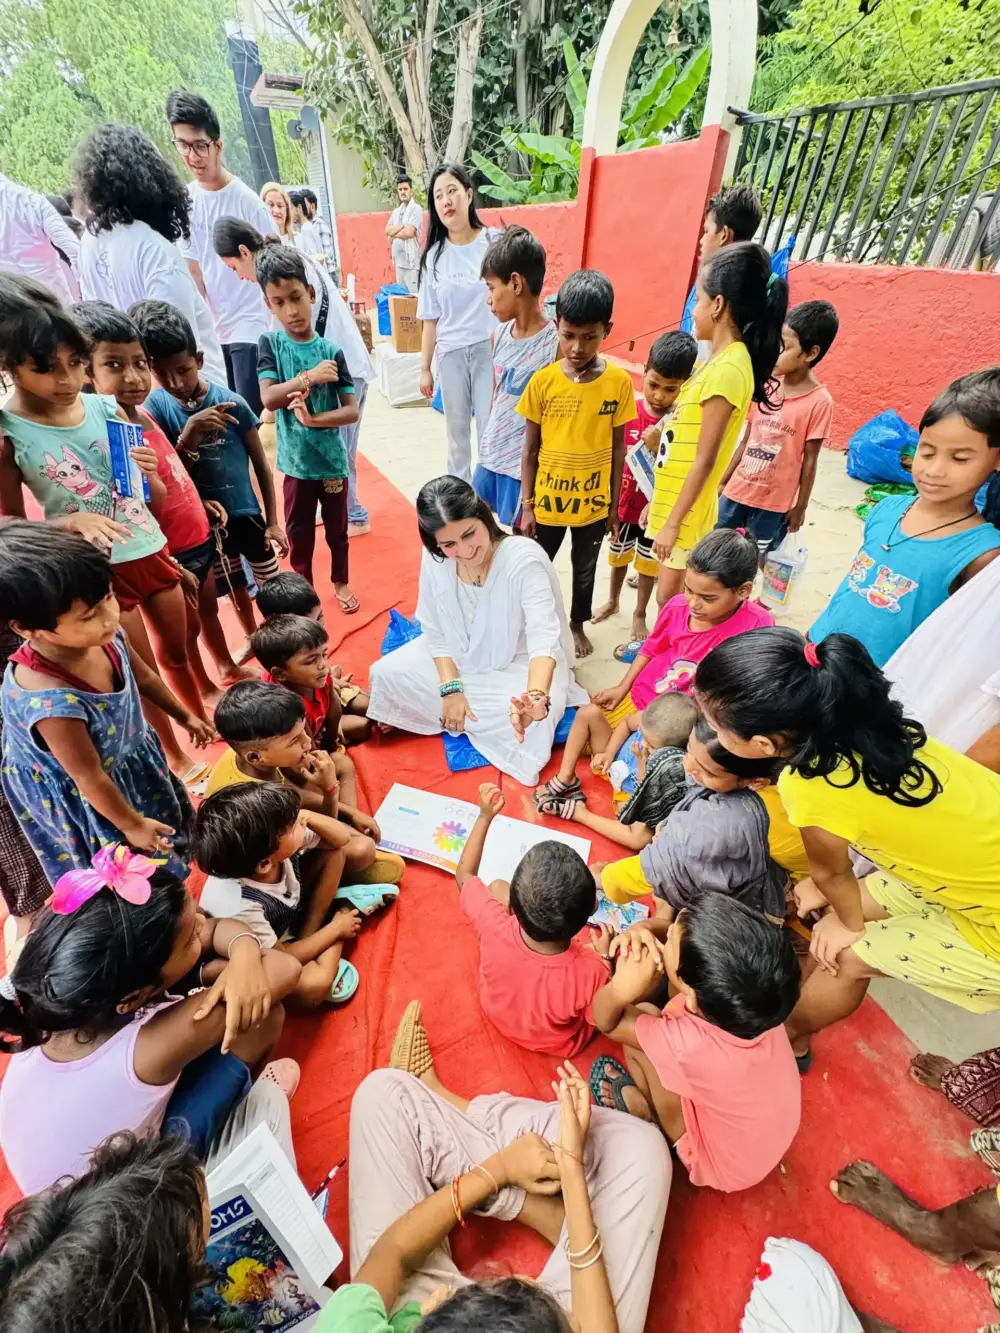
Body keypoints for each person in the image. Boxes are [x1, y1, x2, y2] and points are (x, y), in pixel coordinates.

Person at [694, 626, 1000, 1075]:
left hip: (991, 923)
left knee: (844, 955)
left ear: (763, 746)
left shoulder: (811, 787)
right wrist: (835, 900)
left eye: (719, 727)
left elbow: (831, 876)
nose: (715, 734)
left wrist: (849, 923)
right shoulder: (877, 726)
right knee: (835, 906)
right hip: (967, 872)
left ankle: (782, 1039)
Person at [343, 1004, 670, 1333]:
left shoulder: (351, 1327)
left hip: (412, 1304)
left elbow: (395, 1249)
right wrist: (571, 1176)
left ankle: (468, 1131)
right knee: (643, 1151)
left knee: (383, 1096)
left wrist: (499, 1170)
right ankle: (529, 1197)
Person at [0, 284, 214, 778]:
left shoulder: (104, 409)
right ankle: (173, 754)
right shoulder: (10, 432)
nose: (67, 379)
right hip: (98, 572)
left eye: (76, 363)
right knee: (139, 670)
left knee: (181, 647)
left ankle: (197, 717)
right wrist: (69, 521)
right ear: (12, 364)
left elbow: (149, 502)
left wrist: (152, 476)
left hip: (150, 549)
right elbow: (12, 529)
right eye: (46, 368)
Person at [0, 855, 302, 1194]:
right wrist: (244, 960)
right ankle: (231, 1132)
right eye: (190, 939)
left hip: (70, 1195)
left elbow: (212, 929)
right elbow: (283, 969)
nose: (203, 924)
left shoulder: (60, 996)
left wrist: (242, 953)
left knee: (238, 991)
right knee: (260, 1016)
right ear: (133, 998)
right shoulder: (146, 1047)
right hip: (132, 1210)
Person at [0, 522, 209, 882]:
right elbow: (88, 776)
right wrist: (132, 824)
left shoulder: (108, 635)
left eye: (109, 598)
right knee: (132, 865)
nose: (110, 617)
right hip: (92, 791)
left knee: (170, 832)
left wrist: (185, 716)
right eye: (88, 616)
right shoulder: (50, 702)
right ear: (26, 628)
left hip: (130, 760)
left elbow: (144, 678)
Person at [71, 299, 251, 707]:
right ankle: (201, 689)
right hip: (170, 550)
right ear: (87, 370)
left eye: (138, 363)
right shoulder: (114, 426)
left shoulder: (140, 417)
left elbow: (171, 471)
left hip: (197, 534)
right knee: (182, 635)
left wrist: (199, 502)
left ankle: (222, 667)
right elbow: (139, 504)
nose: (134, 377)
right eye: (114, 366)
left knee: (206, 614)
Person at [367, 476, 588, 787]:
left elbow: (543, 639)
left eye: (469, 534)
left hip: (519, 665)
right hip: (456, 659)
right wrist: (451, 689)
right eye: (449, 544)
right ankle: (453, 712)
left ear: (483, 515)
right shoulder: (437, 557)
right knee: (385, 674)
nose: (465, 550)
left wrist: (536, 698)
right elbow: (434, 629)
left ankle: (446, 716)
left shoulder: (522, 559)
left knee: (529, 725)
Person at [590, 892, 801, 1193]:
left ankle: (656, 1126)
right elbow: (682, 931)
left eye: (673, 936)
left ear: (691, 993)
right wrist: (648, 929)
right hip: (762, 1143)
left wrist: (620, 990)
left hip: (722, 1167)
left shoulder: (690, 1046)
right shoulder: (757, 1000)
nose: (671, 928)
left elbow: (606, 1021)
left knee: (646, 1015)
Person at [536, 528, 770, 790]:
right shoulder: (677, 606)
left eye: (708, 598)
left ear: (743, 591)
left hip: (680, 721)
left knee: (661, 773)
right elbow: (650, 648)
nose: (693, 603)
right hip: (643, 697)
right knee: (582, 735)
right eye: (689, 590)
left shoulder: (757, 626)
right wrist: (622, 687)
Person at [810, 368, 1000, 668]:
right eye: (927, 452)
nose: (934, 470)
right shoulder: (888, 508)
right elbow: (855, 583)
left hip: (882, 681)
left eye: (960, 458)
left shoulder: (984, 554)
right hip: (822, 648)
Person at [133, 299, 287, 638]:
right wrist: (190, 433)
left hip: (246, 514)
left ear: (199, 360)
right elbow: (174, 477)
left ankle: (285, 636)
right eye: (161, 373)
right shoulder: (156, 409)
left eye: (184, 370)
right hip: (207, 525)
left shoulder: (232, 401)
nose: (175, 382)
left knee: (272, 586)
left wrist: (273, 521)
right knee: (235, 589)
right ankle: (253, 638)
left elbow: (261, 463)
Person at [647, 241, 788, 610]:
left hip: (687, 512)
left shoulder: (728, 370)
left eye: (698, 299)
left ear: (719, 305)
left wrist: (673, 523)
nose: (694, 311)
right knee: (670, 597)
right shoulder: (719, 362)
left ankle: (673, 663)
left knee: (671, 600)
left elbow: (705, 460)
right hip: (675, 502)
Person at [213, 219, 376, 537]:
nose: (239, 276)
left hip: (338, 371)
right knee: (337, 447)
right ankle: (345, 508)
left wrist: (276, 400)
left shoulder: (281, 275)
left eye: (234, 268)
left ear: (244, 252)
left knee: (337, 450)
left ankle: (353, 513)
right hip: (343, 365)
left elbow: (291, 342)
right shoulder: (289, 260)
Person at [519, 269, 637, 658]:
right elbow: (530, 450)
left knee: (584, 569)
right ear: (557, 327)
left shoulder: (619, 384)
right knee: (536, 563)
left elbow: (619, 448)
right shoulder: (543, 382)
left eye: (590, 337)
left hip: (592, 504)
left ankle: (575, 623)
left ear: (608, 329)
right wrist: (528, 504)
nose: (577, 347)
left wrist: (614, 504)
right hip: (548, 502)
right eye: (568, 335)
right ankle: (529, 622)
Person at [454, 782, 609, 1057]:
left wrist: (484, 817)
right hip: (559, 1043)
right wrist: (606, 957)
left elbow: (464, 876)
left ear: (511, 907)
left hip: (496, 1012)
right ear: (594, 906)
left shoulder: (493, 921)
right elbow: (602, 1015)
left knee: (496, 885)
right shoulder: (592, 971)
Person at [193, 782, 376, 1008]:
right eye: (292, 824)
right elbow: (284, 958)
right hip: (269, 948)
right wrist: (336, 929)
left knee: (335, 853)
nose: (299, 822)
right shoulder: (242, 906)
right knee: (315, 985)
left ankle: (312, 934)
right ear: (264, 864)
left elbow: (341, 840)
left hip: (287, 915)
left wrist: (307, 815)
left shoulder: (271, 844)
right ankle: (344, 907)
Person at [71, 123, 227, 384]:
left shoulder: (89, 243)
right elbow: (179, 349)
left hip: (134, 395)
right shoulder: (153, 249)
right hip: (189, 394)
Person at [596, 718, 794, 921]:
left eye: (706, 771)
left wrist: (605, 879)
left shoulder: (726, 822)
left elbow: (663, 864)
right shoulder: (726, 777)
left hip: (738, 908)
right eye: (688, 751)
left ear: (754, 782)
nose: (688, 766)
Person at [255, 244, 360, 609]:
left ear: (311, 294)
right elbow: (269, 398)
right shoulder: (270, 344)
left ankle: (341, 582)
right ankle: (304, 592)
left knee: (338, 532)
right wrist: (309, 378)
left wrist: (313, 420)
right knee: (299, 535)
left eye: (296, 297)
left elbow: (351, 411)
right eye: (279, 302)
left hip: (332, 461)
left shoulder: (332, 352)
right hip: (296, 465)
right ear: (269, 304)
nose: (291, 310)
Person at [166, 90, 275, 415]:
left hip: (250, 328)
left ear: (218, 144)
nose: (192, 155)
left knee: (249, 422)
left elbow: (275, 269)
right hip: (211, 336)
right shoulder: (185, 202)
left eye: (200, 145)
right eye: (182, 145)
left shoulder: (248, 203)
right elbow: (193, 272)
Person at [595, 331, 698, 652]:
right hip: (624, 505)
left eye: (671, 389)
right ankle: (612, 601)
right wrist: (610, 504)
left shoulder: (679, 423)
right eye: (653, 385)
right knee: (617, 558)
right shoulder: (629, 412)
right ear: (644, 372)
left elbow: (679, 469)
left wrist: (657, 446)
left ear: (686, 384)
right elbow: (612, 456)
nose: (659, 396)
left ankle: (639, 613)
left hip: (656, 512)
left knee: (647, 566)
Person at [206, 682, 389, 863]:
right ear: (254, 757)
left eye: (303, 732)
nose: (308, 741)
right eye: (294, 741)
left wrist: (351, 813)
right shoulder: (260, 801)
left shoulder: (253, 753)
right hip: (275, 854)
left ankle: (352, 828)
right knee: (362, 850)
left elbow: (298, 792)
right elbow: (325, 834)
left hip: (285, 816)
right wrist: (330, 789)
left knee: (340, 762)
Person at [718, 299, 839, 556]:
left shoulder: (819, 402)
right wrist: (723, 481)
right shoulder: (766, 387)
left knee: (753, 560)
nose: (775, 352)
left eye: (785, 347)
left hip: (772, 504)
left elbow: (809, 461)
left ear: (810, 353)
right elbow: (746, 441)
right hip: (737, 491)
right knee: (716, 550)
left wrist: (800, 506)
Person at [472, 225, 559, 526]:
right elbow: (498, 399)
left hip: (524, 470)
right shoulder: (498, 336)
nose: (489, 299)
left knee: (522, 546)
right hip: (491, 458)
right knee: (482, 534)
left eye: (491, 288)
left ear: (516, 283)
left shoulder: (555, 344)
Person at [535, 692, 697, 853]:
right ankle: (566, 777)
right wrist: (608, 754)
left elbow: (646, 794)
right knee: (588, 712)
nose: (643, 743)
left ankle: (579, 813)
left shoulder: (676, 763)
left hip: (630, 792)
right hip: (613, 762)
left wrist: (643, 764)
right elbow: (626, 723)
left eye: (652, 746)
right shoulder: (650, 720)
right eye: (643, 735)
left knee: (639, 839)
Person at [417, 163, 499, 481]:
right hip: (450, 354)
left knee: (490, 431)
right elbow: (430, 319)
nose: (446, 200)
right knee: (457, 436)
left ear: (468, 194)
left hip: (488, 351)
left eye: (452, 191)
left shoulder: (493, 242)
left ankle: (490, 502)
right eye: (438, 196)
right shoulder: (434, 257)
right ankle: (461, 498)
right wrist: (425, 368)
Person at [251, 612, 372, 747]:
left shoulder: (318, 672)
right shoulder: (285, 706)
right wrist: (328, 747)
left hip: (322, 712)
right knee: (361, 730)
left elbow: (334, 707)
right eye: (310, 661)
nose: (323, 664)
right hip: (309, 733)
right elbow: (309, 746)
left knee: (373, 708)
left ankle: (339, 685)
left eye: (324, 654)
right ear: (280, 674)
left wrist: (331, 739)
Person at [681, 183, 763, 360]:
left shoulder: (718, 287)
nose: (701, 241)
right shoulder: (752, 283)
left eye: (707, 231)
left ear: (724, 234)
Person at [0, 169, 80, 303]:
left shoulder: (31, 202)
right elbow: (74, 250)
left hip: (13, 310)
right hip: (56, 303)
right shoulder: (31, 201)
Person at [386, 174, 424, 293]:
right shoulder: (396, 212)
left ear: (411, 191)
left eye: (405, 189)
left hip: (412, 265)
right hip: (399, 264)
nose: (403, 192)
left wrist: (393, 234)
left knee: (415, 299)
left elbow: (410, 232)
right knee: (402, 301)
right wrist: (401, 226)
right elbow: (387, 229)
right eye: (400, 189)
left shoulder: (416, 209)